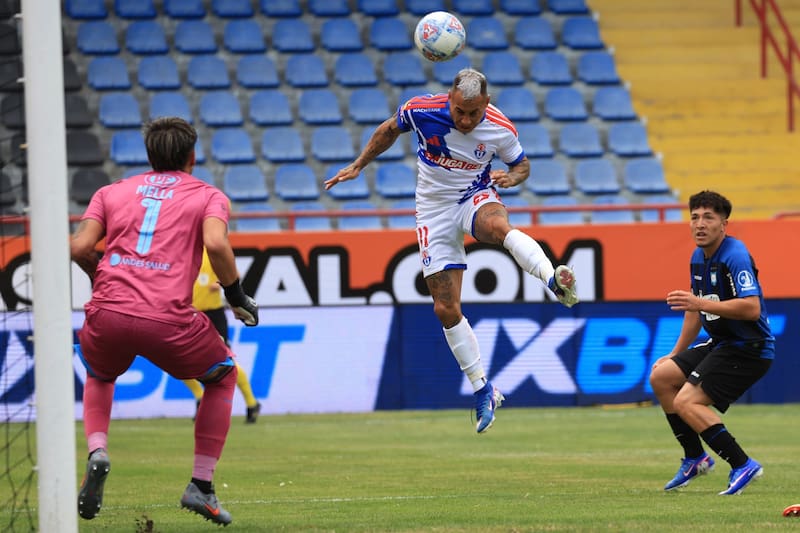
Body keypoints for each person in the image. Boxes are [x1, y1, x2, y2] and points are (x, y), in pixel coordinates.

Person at [325, 68, 578, 434]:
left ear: (486, 103)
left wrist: (512, 177)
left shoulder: (500, 128)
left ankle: (553, 279)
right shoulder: (421, 110)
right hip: (433, 210)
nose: (466, 120)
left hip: (475, 195)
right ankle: (483, 389)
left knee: (498, 228)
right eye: (460, 111)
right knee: (445, 308)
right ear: (449, 99)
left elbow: (521, 164)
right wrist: (358, 164)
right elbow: (389, 129)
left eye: (474, 113)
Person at [70, 116, 258, 525]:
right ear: (192, 157)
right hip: (166, 317)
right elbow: (215, 243)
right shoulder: (209, 196)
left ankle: (97, 449)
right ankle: (201, 485)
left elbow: (80, 246)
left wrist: (101, 277)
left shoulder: (111, 192)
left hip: (108, 310)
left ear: (149, 155)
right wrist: (236, 295)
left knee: (100, 375)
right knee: (222, 377)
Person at [649, 190, 774, 495]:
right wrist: (675, 354)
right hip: (722, 342)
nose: (700, 224)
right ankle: (696, 458)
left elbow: (751, 308)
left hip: (749, 347)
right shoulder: (698, 256)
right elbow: (695, 310)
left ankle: (742, 464)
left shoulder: (735, 255)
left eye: (708, 217)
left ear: (723, 224)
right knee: (661, 377)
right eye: (694, 217)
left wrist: (699, 302)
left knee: (686, 401)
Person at [183, 248, 261, 424]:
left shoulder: (210, 251)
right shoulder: (184, 251)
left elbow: (235, 274)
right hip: (190, 314)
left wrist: (220, 285)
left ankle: (251, 402)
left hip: (213, 315)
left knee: (225, 361)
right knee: (178, 360)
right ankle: (200, 396)